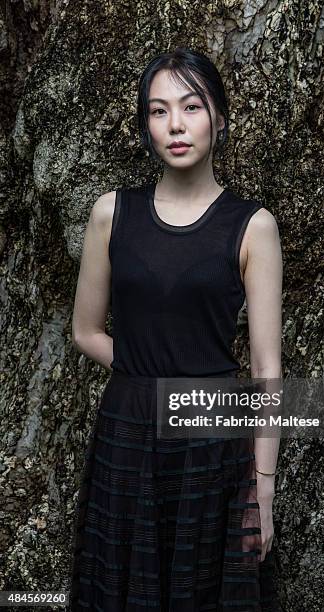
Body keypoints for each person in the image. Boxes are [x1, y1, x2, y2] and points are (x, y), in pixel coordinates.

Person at [68, 46, 282, 611]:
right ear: (145, 126)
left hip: (213, 444)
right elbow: (86, 330)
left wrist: (262, 484)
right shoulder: (112, 213)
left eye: (191, 106)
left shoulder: (253, 226)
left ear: (219, 117)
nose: (176, 125)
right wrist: (146, 378)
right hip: (127, 433)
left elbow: (267, 371)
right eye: (159, 111)